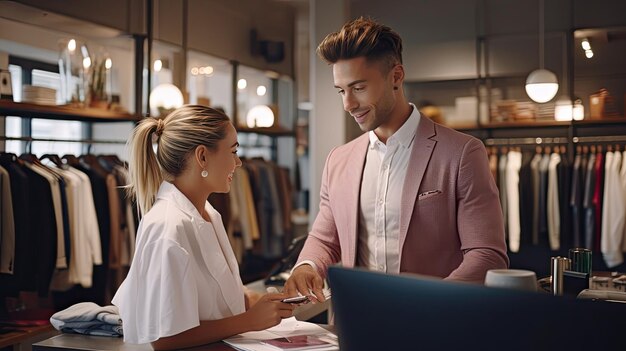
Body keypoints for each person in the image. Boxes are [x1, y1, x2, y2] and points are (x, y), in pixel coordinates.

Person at [284, 17, 509, 302]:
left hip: (435, 324)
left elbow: (487, 254)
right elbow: (325, 238)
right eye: (342, 90)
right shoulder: (338, 160)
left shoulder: (463, 153)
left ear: (396, 76)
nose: (348, 104)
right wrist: (307, 266)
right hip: (357, 322)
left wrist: (429, 302)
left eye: (359, 87)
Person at [112, 105, 294, 350]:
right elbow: (165, 340)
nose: (238, 163)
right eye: (233, 152)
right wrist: (249, 321)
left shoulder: (208, 213)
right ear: (203, 156)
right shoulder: (167, 228)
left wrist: (257, 302)